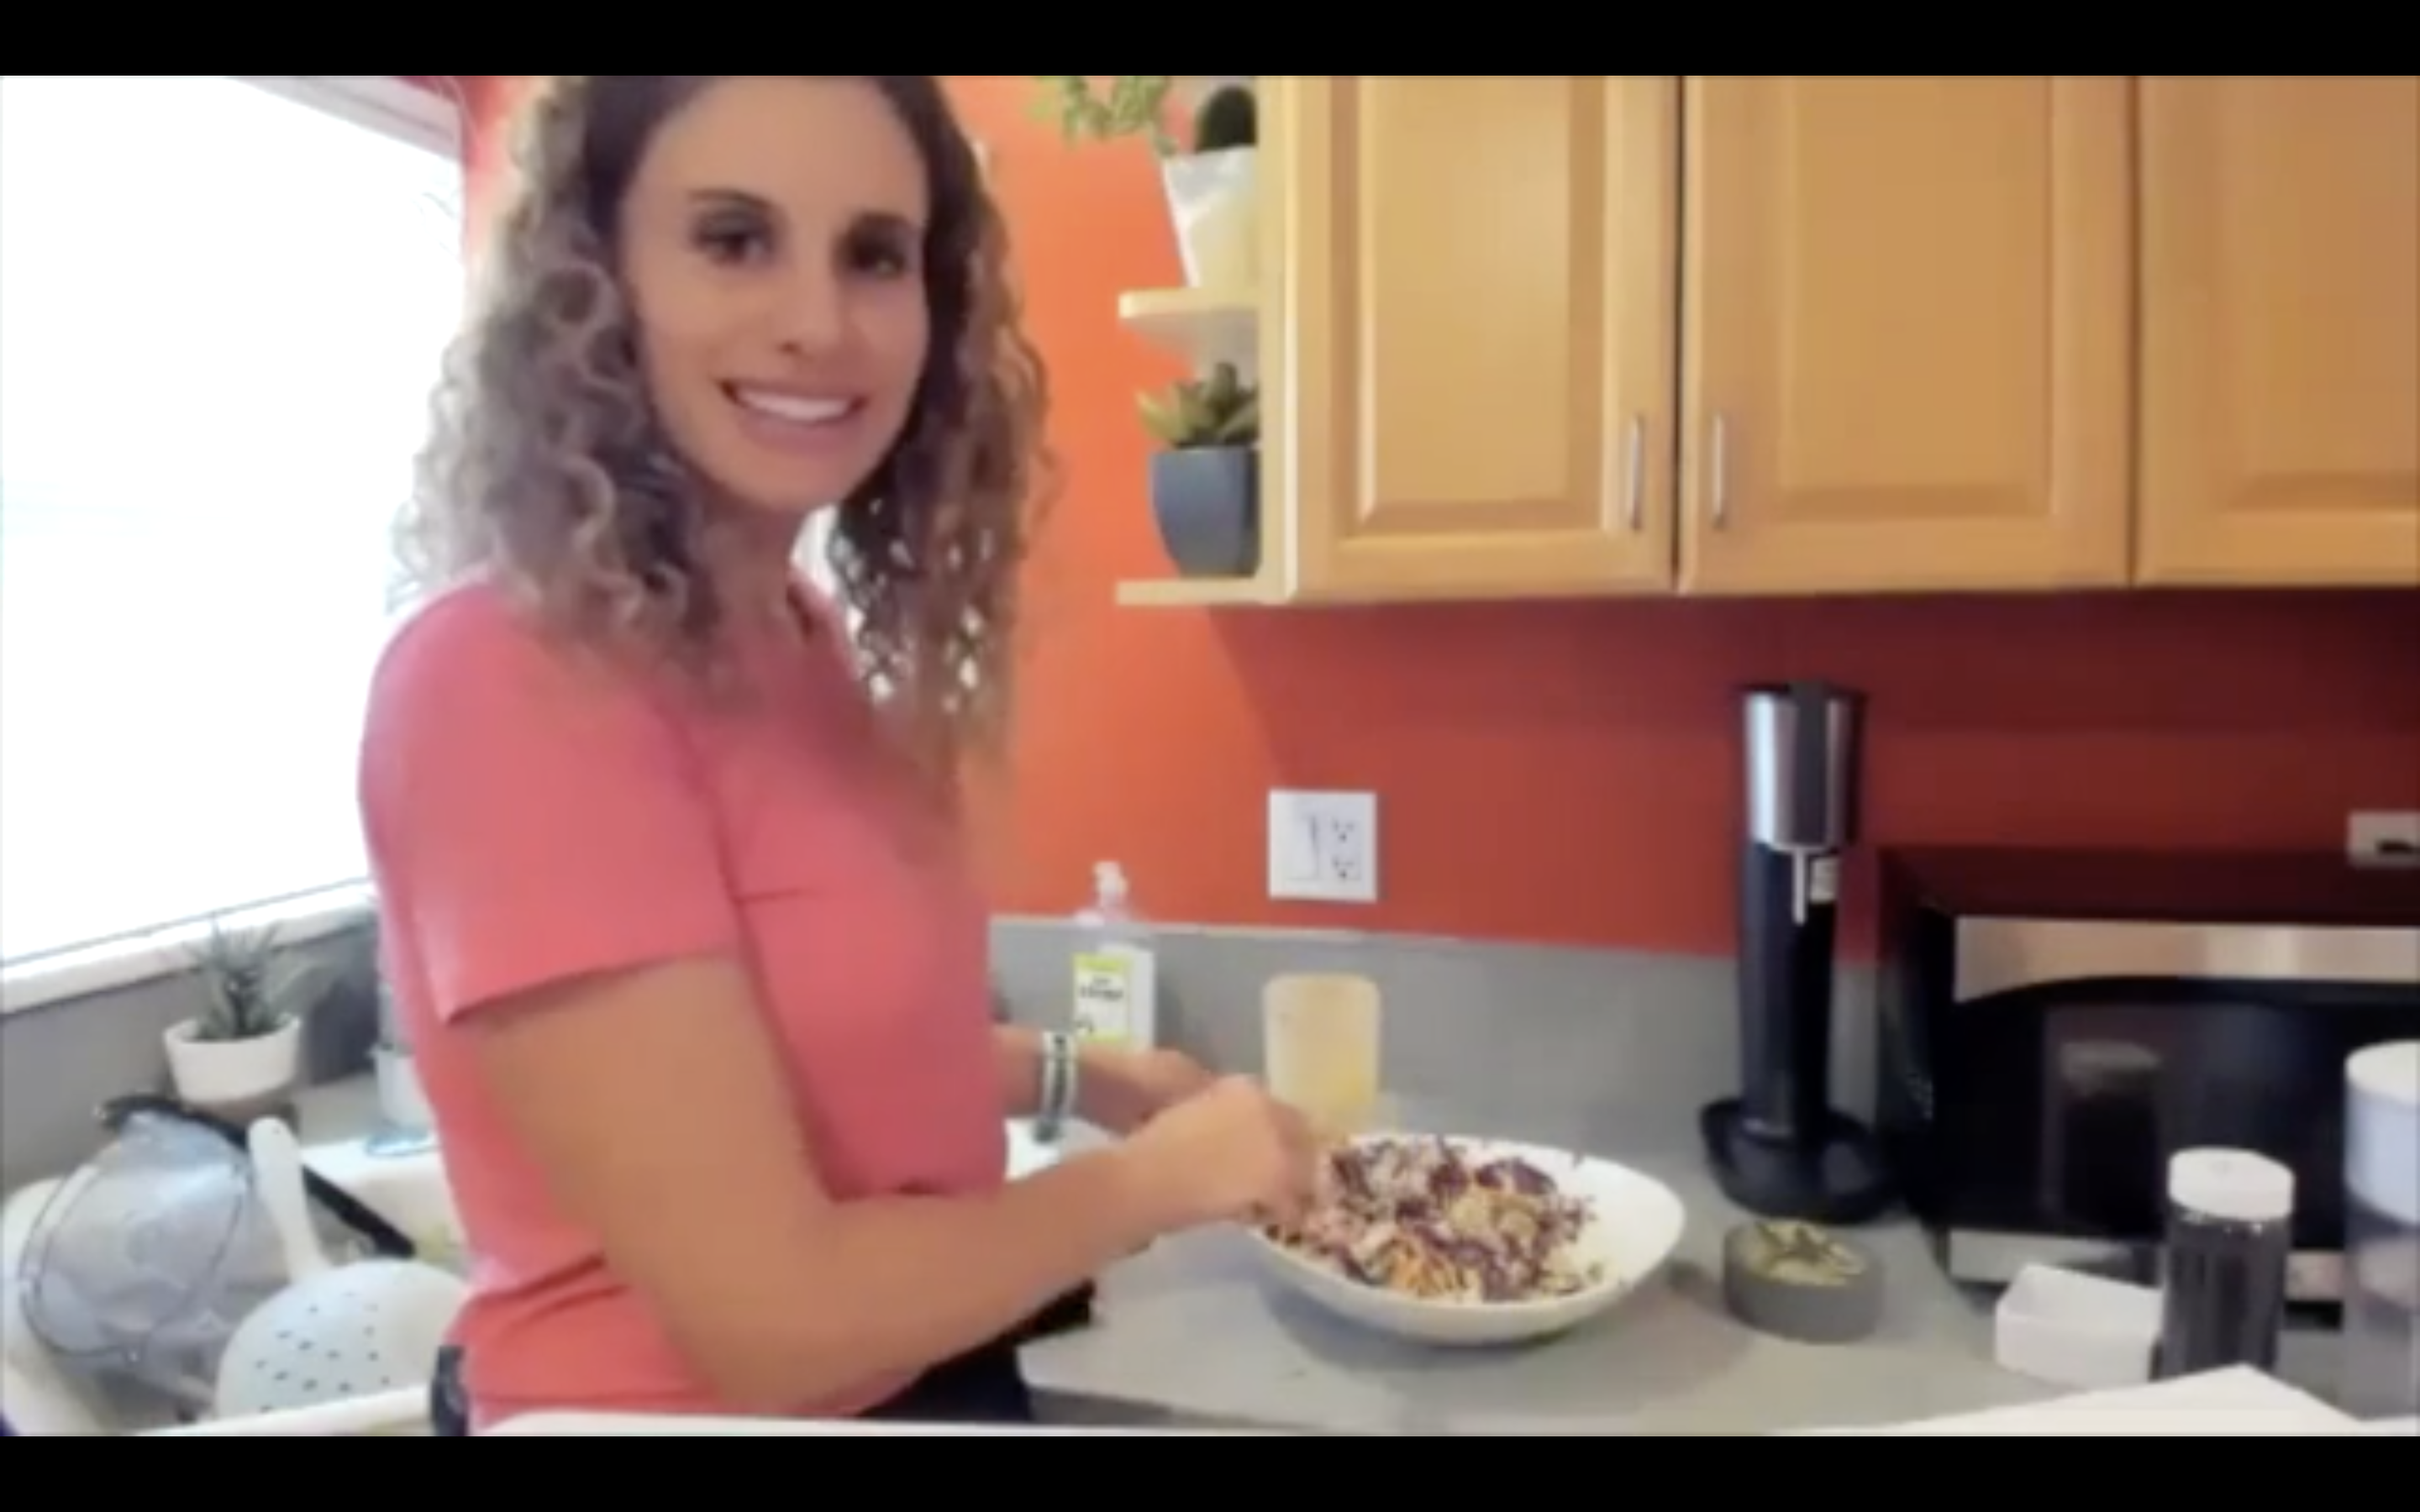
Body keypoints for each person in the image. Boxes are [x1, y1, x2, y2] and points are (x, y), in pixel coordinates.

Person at [361, 76, 1322, 1431]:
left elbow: (807, 1046)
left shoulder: (787, 630)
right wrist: (1157, 1181)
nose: (818, 323)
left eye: (875, 255)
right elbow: (776, 1325)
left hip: (919, 1366)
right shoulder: (511, 679)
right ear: (598, 281)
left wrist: (1094, 1076)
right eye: (734, 238)